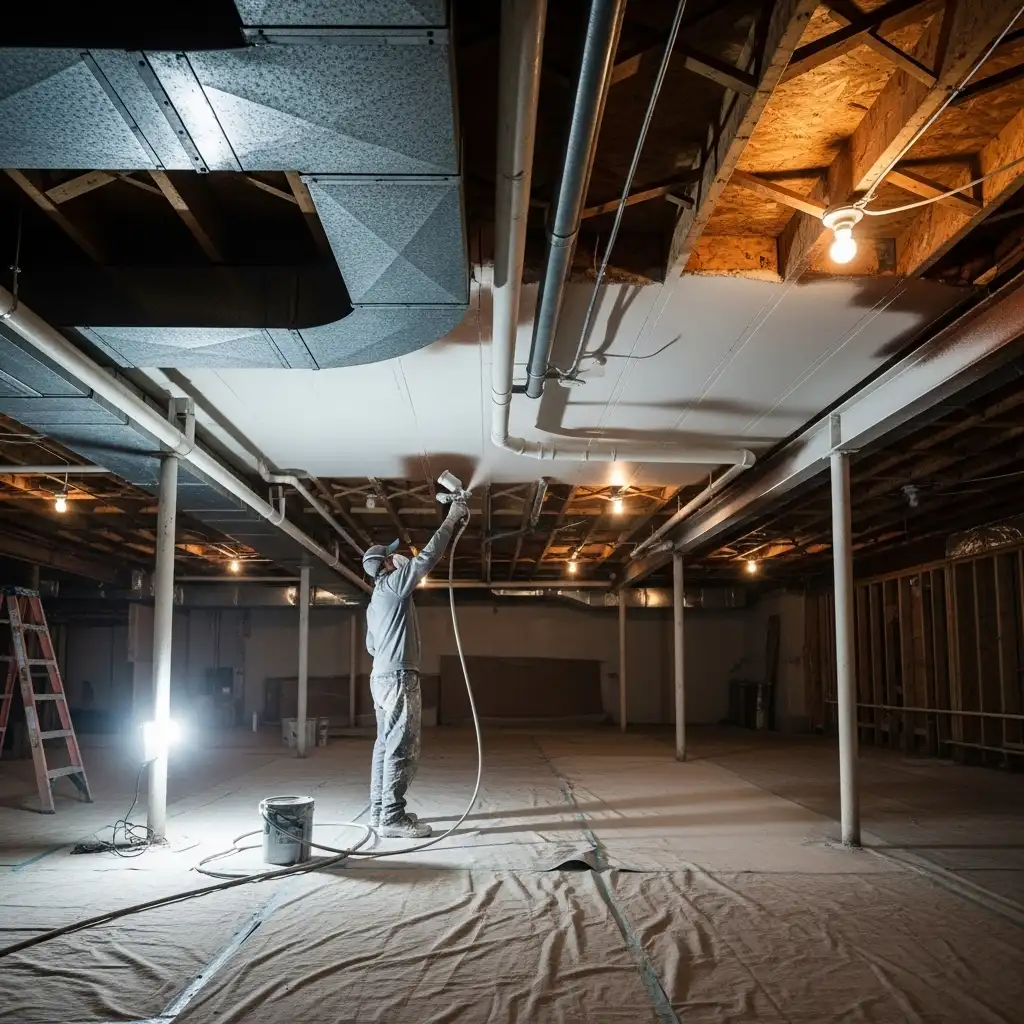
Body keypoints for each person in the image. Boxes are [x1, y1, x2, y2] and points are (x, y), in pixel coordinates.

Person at [362, 498, 468, 838]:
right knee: (401, 745)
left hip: (380, 678)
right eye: (392, 556)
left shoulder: (377, 600)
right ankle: (393, 818)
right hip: (398, 677)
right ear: (385, 565)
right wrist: (450, 520)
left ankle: (380, 812)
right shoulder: (393, 585)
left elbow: (371, 646)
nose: (398, 557)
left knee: (384, 744)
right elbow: (427, 559)